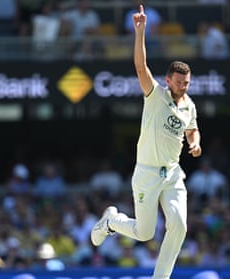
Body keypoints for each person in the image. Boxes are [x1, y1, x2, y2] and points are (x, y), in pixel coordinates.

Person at [90, 5, 202, 279]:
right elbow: (140, 66)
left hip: (173, 173)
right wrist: (140, 32)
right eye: (178, 83)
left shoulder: (189, 105)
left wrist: (195, 142)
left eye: (186, 83)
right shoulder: (155, 96)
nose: (183, 87)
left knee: (179, 225)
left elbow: (192, 129)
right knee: (144, 232)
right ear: (168, 81)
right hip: (148, 173)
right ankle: (112, 221)